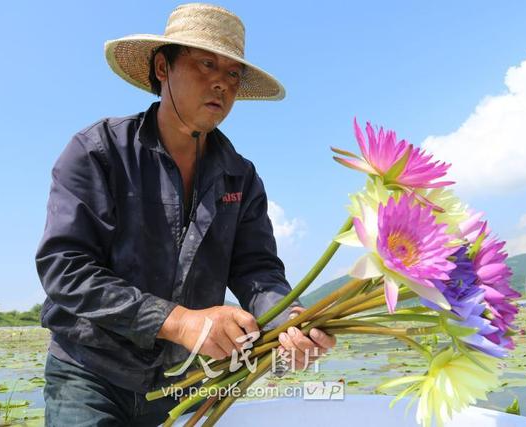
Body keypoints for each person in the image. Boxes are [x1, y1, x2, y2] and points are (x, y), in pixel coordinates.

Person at [35, 3, 336, 426]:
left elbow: (257, 270)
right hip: (90, 373)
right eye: (206, 63)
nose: (221, 83)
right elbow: (65, 269)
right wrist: (178, 322)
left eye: (232, 73)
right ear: (163, 66)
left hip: (183, 379)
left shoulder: (241, 178)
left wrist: (290, 319)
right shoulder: (97, 152)